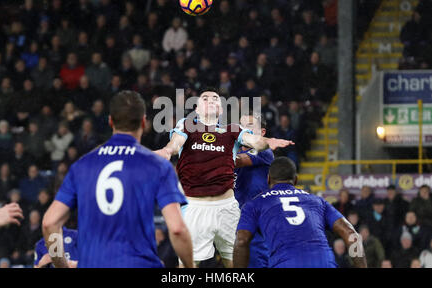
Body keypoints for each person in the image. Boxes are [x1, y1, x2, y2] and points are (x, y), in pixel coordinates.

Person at [42, 90, 193, 268]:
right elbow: (177, 229)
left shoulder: (82, 166)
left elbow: (49, 223)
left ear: (110, 121)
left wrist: (62, 265)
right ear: (144, 123)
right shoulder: (156, 165)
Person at [154, 87, 294, 268]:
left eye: (215, 99)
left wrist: (267, 142)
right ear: (196, 109)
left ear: (220, 110)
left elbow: (254, 141)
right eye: (205, 98)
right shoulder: (186, 125)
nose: (211, 100)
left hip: (228, 208)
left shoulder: (233, 131)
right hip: (196, 207)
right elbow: (175, 143)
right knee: (188, 265)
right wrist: (167, 151)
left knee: (237, 265)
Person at [233, 157, 367, 268]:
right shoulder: (318, 201)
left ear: (268, 179)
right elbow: (351, 234)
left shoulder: (255, 204)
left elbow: (241, 240)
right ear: (295, 180)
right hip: (324, 263)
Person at [233, 113, 274, 268]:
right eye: (241, 125)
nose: (244, 129)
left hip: (257, 218)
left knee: (257, 261)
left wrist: (212, 152)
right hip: (235, 216)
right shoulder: (233, 151)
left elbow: (238, 161)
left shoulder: (264, 149)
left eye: (250, 125)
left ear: (262, 133)